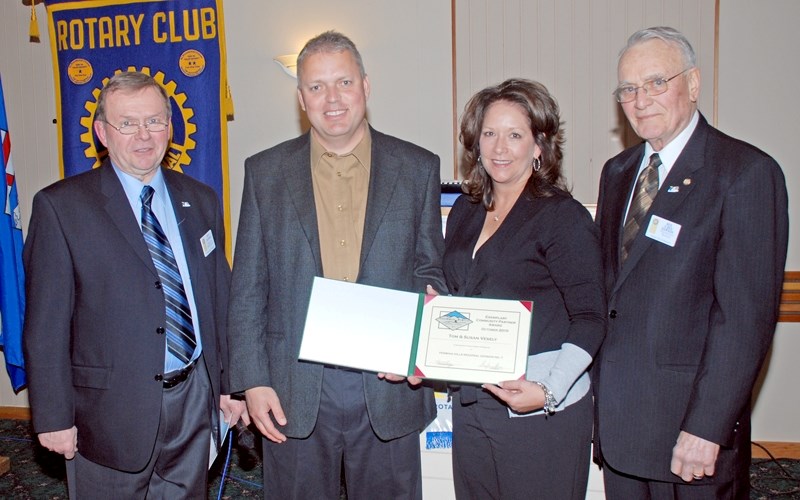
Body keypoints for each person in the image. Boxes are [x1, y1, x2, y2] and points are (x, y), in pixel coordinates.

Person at [227, 31, 447, 499]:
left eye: (343, 82)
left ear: (366, 86)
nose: (332, 99)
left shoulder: (418, 168)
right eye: (316, 86)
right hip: (295, 387)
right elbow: (248, 285)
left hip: (388, 387)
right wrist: (253, 381)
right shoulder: (264, 172)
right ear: (300, 97)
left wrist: (422, 333)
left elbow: (430, 270)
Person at [22, 71, 246, 498]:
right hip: (107, 413)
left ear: (170, 127)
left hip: (193, 399)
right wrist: (52, 415)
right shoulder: (61, 207)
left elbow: (220, 297)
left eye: (155, 121)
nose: (144, 135)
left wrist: (228, 384)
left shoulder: (200, 198)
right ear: (102, 132)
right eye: (127, 123)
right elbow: (45, 324)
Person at [594, 26, 789, 499]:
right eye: (628, 89)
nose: (641, 100)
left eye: (657, 82)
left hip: (691, 437)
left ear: (694, 84)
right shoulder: (617, 174)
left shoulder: (744, 173)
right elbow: (610, 295)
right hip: (621, 430)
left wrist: (708, 427)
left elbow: (744, 320)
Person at [442, 78, 606, 499]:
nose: (500, 147)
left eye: (515, 135)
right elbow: (460, 294)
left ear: (539, 146)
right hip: (473, 403)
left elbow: (591, 318)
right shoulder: (466, 209)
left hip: (539, 408)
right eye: (490, 133)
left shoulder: (562, 218)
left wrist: (548, 391)